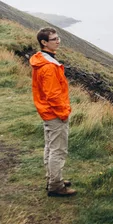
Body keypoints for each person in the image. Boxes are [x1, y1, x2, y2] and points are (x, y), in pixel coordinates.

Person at [30, 27, 77, 197]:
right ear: (44, 42)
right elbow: (53, 95)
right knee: (58, 150)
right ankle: (56, 186)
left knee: (50, 146)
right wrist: (63, 113)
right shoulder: (48, 67)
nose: (58, 41)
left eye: (58, 38)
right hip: (54, 113)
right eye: (54, 39)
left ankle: (53, 177)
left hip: (46, 111)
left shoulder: (42, 60)